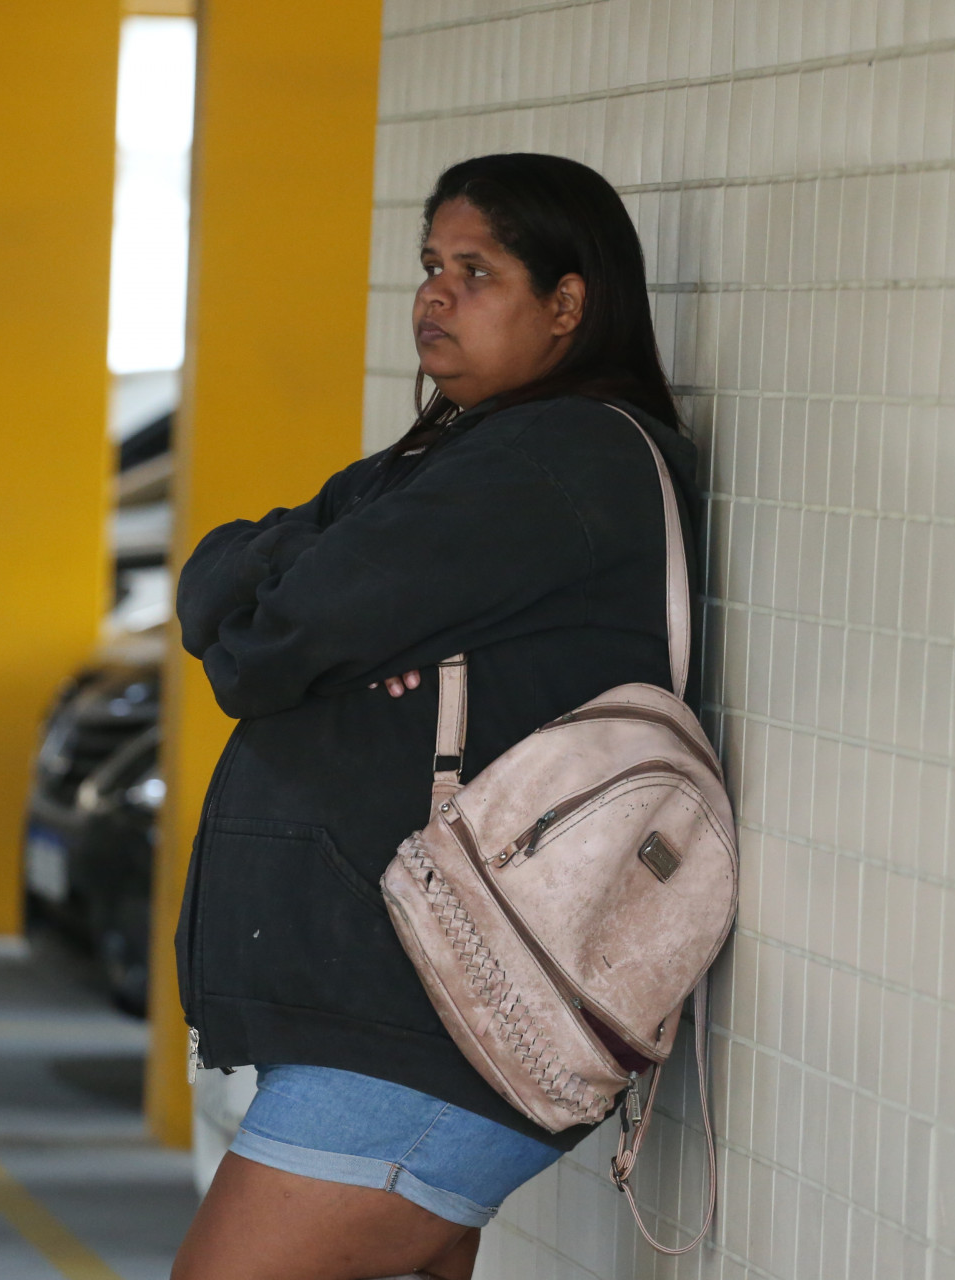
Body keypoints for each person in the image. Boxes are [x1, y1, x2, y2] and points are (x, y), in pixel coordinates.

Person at [168, 153, 702, 1280]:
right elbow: (217, 571)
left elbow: (265, 645)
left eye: (476, 270)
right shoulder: (454, 455)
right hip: (400, 1003)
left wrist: (312, 614)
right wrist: (315, 604)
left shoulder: (559, 460)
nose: (433, 295)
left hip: (430, 1021)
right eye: (429, 265)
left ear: (568, 304)